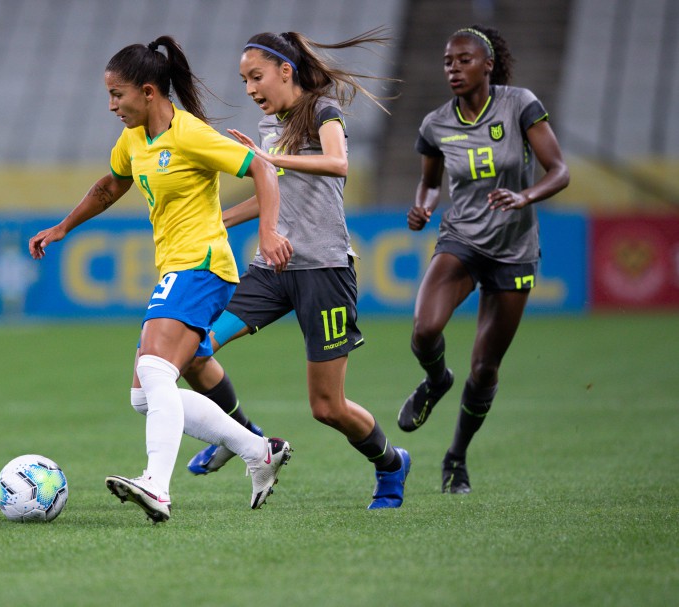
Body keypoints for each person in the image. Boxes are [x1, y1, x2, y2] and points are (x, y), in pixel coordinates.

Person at [28, 36, 295, 523]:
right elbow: (109, 185)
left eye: (118, 95)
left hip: (204, 264)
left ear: (149, 92)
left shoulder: (189, 134)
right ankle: (258, 450)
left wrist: (269, 231)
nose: (111, 105)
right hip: (177, 266)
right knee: (142, 396)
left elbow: (260, 166)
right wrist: (63, 227)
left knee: (155, 372)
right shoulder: (134, 138)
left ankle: (156, 485)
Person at [180, 30, 411, 509]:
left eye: (256, 76)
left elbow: (339, 163)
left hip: (323, 271)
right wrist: (217, 220)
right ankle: (246, 438)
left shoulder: (324, 111)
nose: (249, 88)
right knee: (195, 350)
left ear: (286, 71)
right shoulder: (269, 128)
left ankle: (391, 463)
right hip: (272, 269)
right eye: (245, 80)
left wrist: (269, 158)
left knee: (327, 408)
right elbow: (272, 189)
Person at [397, 25, 569, 493]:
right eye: (449, 61)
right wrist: (425, 205)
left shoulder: (519, 105)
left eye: (465, 60)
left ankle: (456, 457)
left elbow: (560, 170)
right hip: (462, 240)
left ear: (488, 64)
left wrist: (524, 195)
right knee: (425, 328)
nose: (454, 68)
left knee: (485, 367)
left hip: (514, 251)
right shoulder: (436, 124)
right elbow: (430, 181)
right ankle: (435, 381)